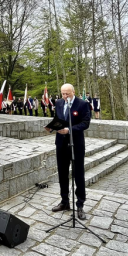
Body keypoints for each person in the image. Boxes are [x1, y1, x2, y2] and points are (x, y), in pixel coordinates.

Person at [46, 83, 91, 220]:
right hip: (61, 143)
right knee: (62, 173)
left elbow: (85, 123)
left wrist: (70, 130)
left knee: (78, 174)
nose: (65, 96)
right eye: (63, 94)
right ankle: (64, 201)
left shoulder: (82, 104)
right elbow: (58, 118)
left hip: (76, 143)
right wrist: (52, 127)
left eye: (67, 94)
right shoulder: (59, 102)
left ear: (73, 92)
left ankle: (80, 205)